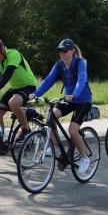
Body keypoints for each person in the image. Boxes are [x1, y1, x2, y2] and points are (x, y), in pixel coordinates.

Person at [30, 39, 93, 174]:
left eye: (65, 50)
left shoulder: (81, 62)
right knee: (51, 117)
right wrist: (35, 94)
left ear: (73, 51)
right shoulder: (59, 65)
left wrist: (75, 94)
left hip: (83, 99)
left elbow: (81, 80)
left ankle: (84, 158)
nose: (62, 53)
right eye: (60, 51)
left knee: (73, 130)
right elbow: (49, 80)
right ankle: (55, 147)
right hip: (68, 99)